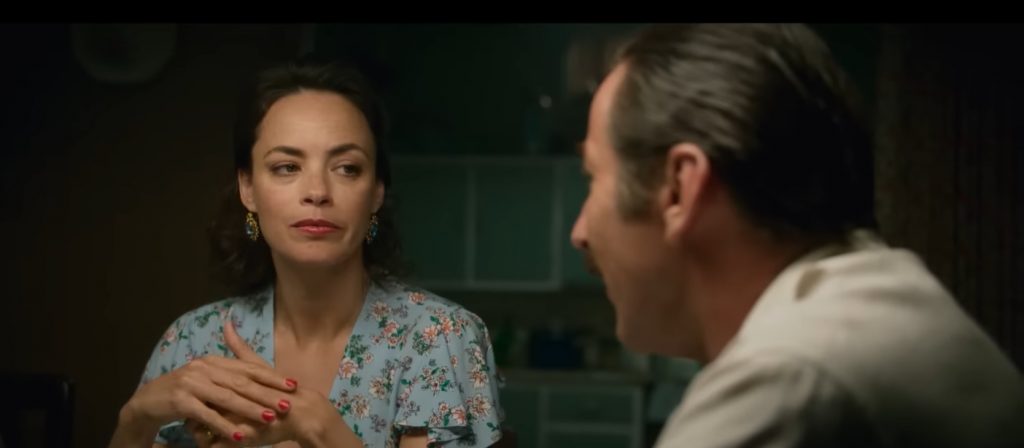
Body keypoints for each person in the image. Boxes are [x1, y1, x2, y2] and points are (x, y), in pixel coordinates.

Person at [570, 23, 1024, 447]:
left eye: (593, 177)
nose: (580, 233)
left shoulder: (787, 378)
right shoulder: (871, 299)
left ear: (678, 188)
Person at [109, 58, 504, 448]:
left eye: (347, 168)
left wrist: (318, 428)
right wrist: (136, 417)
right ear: (248, 188)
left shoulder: (439, 336)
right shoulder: (193, 340)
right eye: (286, 167)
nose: (317, 192)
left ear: (376, 193)